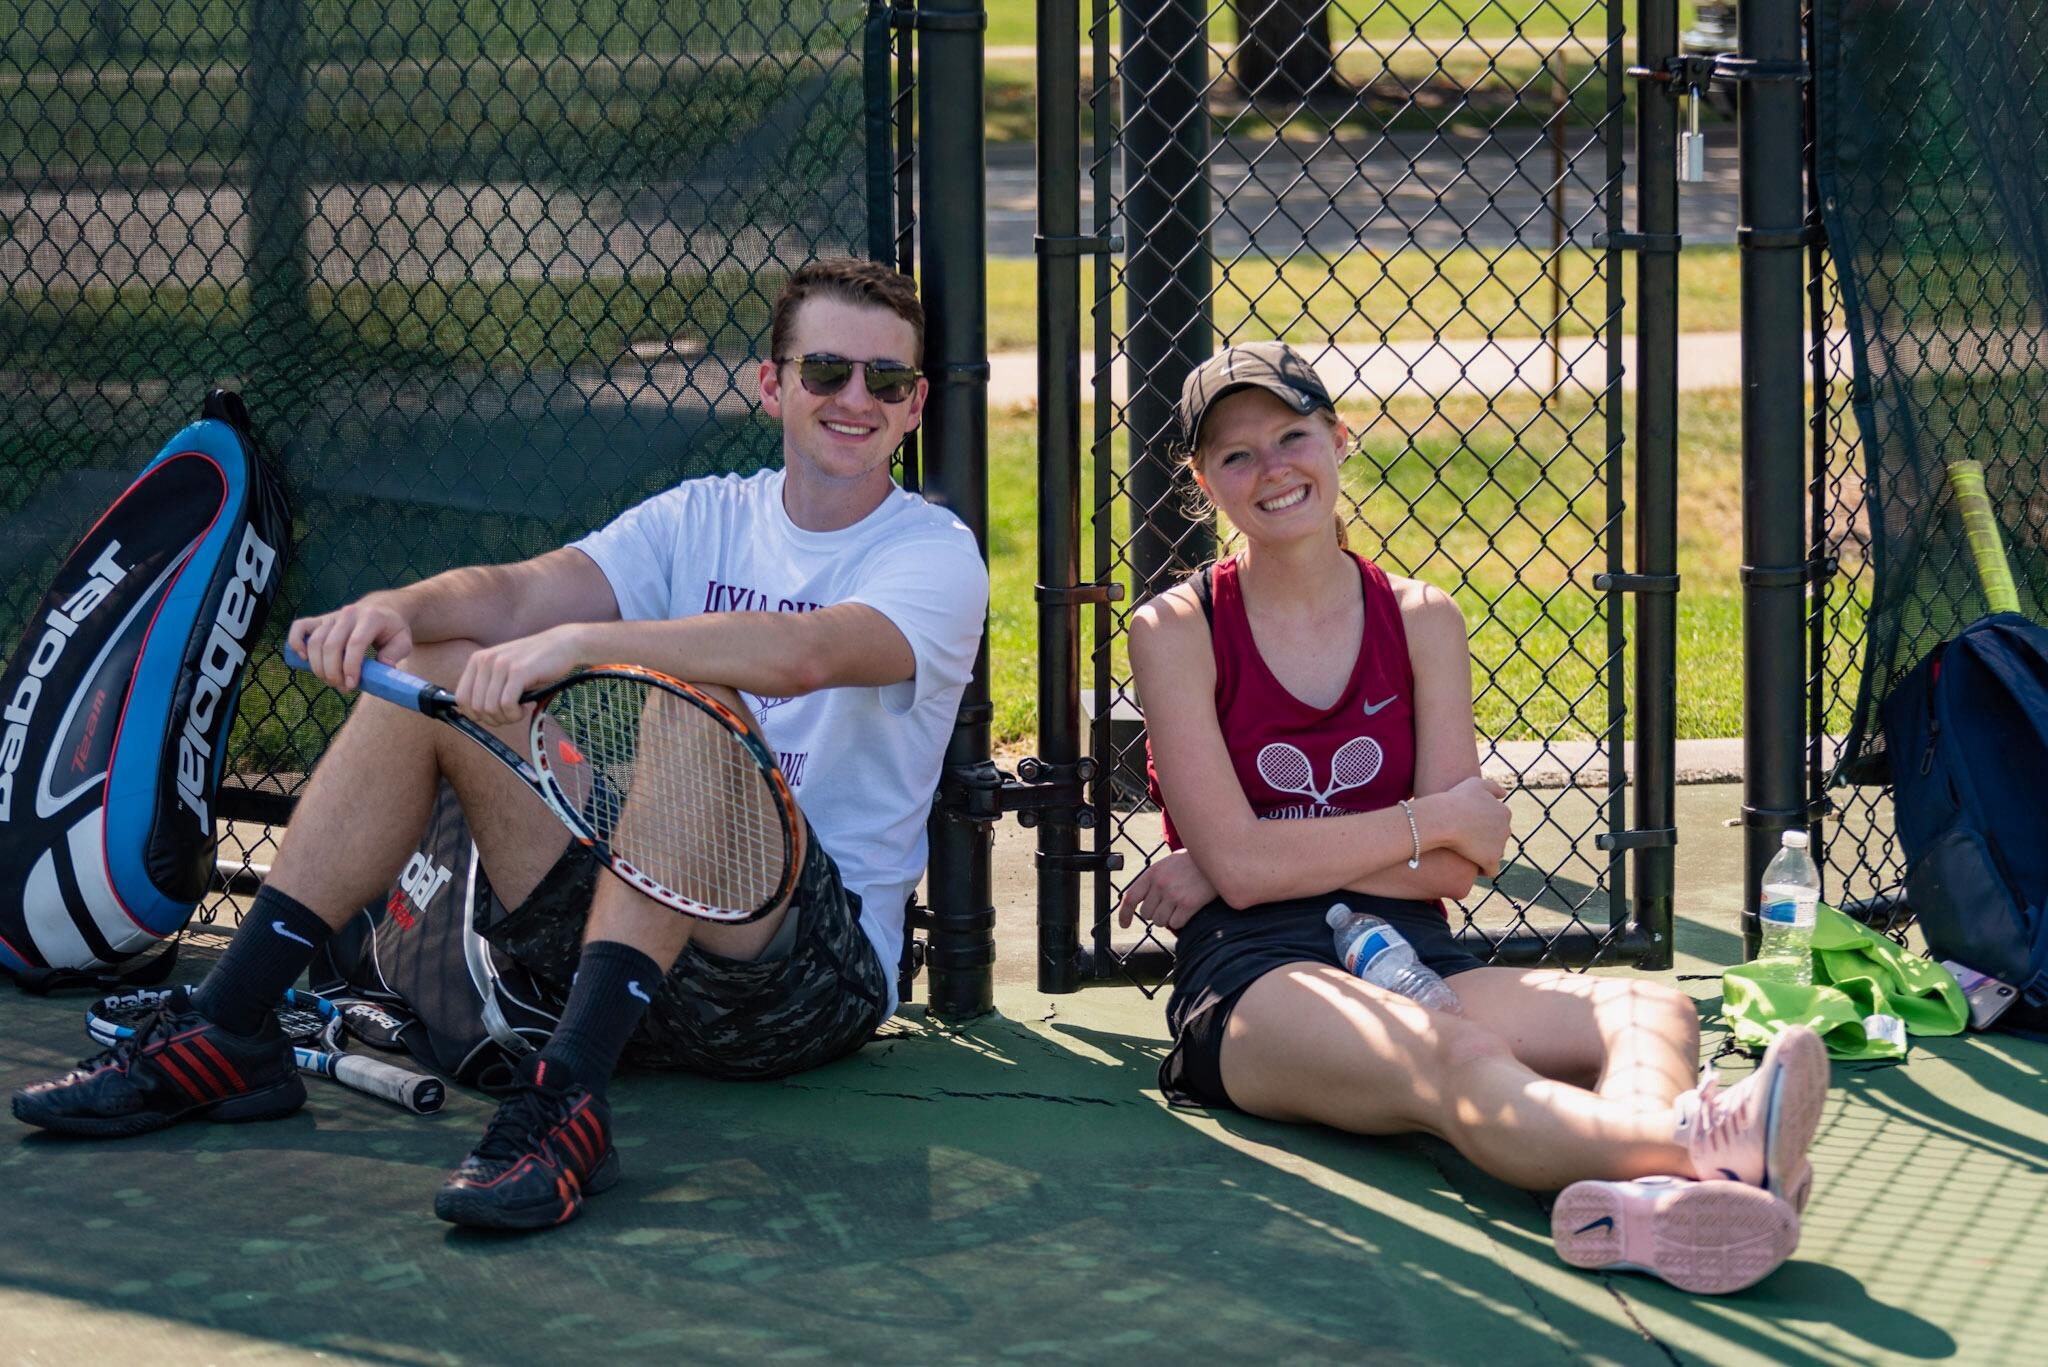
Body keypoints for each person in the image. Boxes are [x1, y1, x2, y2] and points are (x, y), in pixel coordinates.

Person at [12, 258, 990, 1231]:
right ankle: (229, 1027)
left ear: (912, 409)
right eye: (825, 371)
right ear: (773, 384)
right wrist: (397, 607)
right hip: (630, 931)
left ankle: (561, 1103)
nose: (854, 397)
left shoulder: (932, 553)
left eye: (886, 380)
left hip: (797, 977)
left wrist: (586, 643)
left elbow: (809, 652)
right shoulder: (705, 514)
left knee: (696, 694)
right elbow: (519, 590)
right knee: (433, 663)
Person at [1117, 340, 1828, 1295]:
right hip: (1255, 971)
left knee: (1648, 1004)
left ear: (1338, 439)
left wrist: (1265, 850)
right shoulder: (1176, 627)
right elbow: (1252, 876)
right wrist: (1416, 820)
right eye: (1237, 455)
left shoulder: (1422, 617)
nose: (1273, 468)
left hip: (1414, 941)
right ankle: (1694, 1140)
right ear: (1203, 481)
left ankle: (1645, 1210)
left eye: (1293, 434)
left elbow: (1456, 869)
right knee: (1453, 1055)